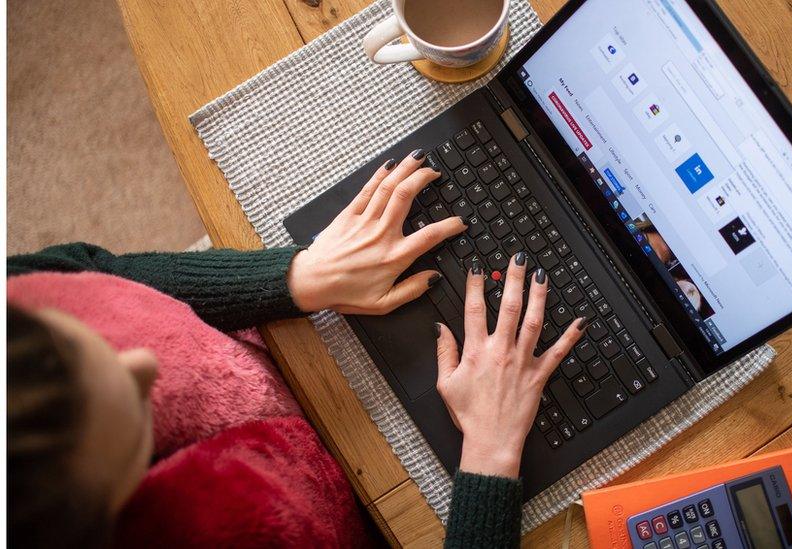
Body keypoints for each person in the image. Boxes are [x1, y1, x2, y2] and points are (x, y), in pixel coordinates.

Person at [7, 151, 585, 548]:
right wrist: (491, 449)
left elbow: (91, 273)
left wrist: (296, 277)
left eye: (89, 344)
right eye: (132, 408)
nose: (142, 362)